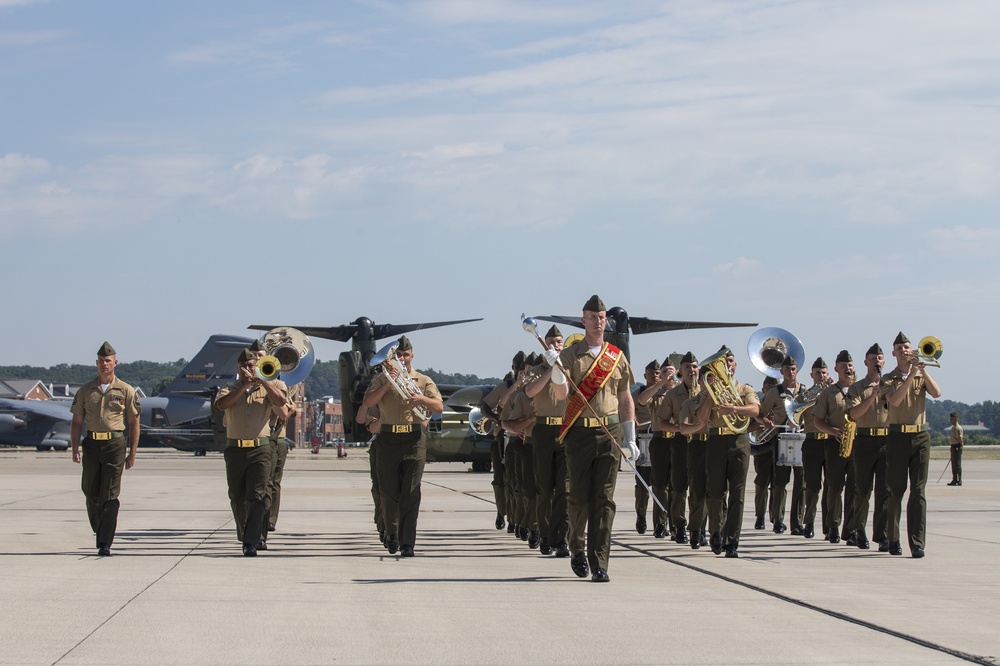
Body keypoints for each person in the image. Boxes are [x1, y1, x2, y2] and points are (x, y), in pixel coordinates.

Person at [543, 295, 636, 582]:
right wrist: (556, 371)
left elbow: (625, 398)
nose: (599, 322)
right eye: (593, 317)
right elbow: (561, 396)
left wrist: (630, 437)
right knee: (580, 499)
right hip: (580, 434)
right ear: (583, 321)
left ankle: (600, 563)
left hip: (610, 433)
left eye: (602, 317)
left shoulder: (616, 357)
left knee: (604, 500)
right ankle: (577, 549)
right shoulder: (570, 355)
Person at [362, 336, 444, 557]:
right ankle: (392, 533)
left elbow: (438, 406)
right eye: (397, 356)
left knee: (411, 492)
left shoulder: (423, 380)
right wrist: (389, 381)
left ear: (412, 356)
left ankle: (407, 542)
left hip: (414, 439)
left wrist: (421, 399)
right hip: (387, 438)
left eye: (405, 355)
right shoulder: (381, 378)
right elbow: (368, 402)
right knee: (388, 493)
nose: (401, 359)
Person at [214, 348, 291, 556]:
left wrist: (263, 381)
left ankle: (251, 540)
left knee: (257, 496)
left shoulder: (269, 387)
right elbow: (222, 405)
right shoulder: (229, 389)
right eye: (244, 366)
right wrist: (245, 386)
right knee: (237, 497)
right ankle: (245, 534)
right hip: (235, 450)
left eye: (251, 366)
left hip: (261, 449)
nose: (248, 369)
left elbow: (282, 402)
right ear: (238, 368)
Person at [70, 341, 141, 557]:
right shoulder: (85, 390)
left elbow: (134, 422)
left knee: (110, 494)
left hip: (114, 445)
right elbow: (76, 421)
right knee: (90, 492)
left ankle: (104, 541)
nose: (104, 364)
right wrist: (74, 448)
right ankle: (100, 528)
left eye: (108, 361)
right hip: (92, 444)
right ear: (96, 363)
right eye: (101, 361)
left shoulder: (126, 390)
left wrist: (132, 452)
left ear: (115, 363)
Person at [690, 347, 760, 557]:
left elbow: (756, 410)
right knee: (715, 492)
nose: (728, 365)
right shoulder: (707, 393)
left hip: (739, 440)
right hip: (716, 440)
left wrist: (735, 409)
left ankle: (733, 541)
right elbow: (701, 419)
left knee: (737, 493)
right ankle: (716, 533)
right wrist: (712, 396)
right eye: (725, 362)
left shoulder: (744, 389)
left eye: (730, 361)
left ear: (735, 366)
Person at [881, 332, 941, 558]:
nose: (905, 351)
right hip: (897, 437)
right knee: (896, 491)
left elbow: (936, 392)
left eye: (907, 347)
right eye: (900, 348)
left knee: (919, 490)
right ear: (894, 353)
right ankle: (894, 538)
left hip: (920, 436)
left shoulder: (920, 374)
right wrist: (911, 375)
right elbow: (894, 401)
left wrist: (922, 370)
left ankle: (917, 542)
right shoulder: (888, 378)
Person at [524, 325, 570, 557]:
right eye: (550, 342)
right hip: (542, 429)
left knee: (565, 488)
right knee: (544, 488)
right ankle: (544, 534)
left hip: (566, 428)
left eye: (559, 342)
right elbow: (530, 392)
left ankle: (560, 538)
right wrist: (549, 368)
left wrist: (560, 368)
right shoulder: (535, 370)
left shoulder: (571, 368)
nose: (555, 346)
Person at [845, 343, 890, 551]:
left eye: (880, 358)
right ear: (865, 362)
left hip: (886, 440)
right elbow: (853, 414)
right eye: (873, 359)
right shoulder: (856, 388)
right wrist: (872, 395)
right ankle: (858, 529)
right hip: (864, 439)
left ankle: (882, 535)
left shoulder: (890, 384)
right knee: (862, 490)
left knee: (885, 490)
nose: (877, 362)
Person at [756, 355, 805, 535]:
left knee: (801, 482)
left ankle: (797, 522)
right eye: (786, 370)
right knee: (780, 482)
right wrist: (766, 422)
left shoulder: (804, 391)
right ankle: (778, 519)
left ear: (797, 371)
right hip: (781, 438)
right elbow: (760, 413)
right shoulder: (774, 392)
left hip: (799, 439)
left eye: (793, 369)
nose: (790, 372)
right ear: (781, 372)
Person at [813, 350, 856, 544]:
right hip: (835, 443)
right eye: (844, 366)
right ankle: (833, 526)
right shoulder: (828, 394)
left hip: (857, 443)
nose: (848, 369)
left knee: (855, 488)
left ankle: (852, 528)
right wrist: (833, 431)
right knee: (835, 486)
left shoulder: (860, 389)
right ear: (836, 369)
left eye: (850, 365)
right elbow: (818, 421)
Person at [502, 353, 541, 549]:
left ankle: (543, 529)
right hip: (523, 445)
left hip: (553, 446)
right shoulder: (517, 395)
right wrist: (520, 427)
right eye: (526, 370)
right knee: (522, 489)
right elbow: (504, 416)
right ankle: (522, 522)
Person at [800, 357, 831, 539]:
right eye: (818, 373)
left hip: (830, 440)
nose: (821, 376)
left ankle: (829, 525)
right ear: (811, 375)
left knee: (831, 485)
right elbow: (796, 416)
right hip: (812, 441)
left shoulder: (834, 392)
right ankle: (809, 521)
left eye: (824, 373)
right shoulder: (805, 396)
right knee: (812, 486)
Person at [631, 360, 660, 535]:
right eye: (651, 373)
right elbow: (628, 407)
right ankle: (641, 515)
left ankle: (660, 523)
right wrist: (632, 418)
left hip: (662, 438)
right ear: (645, 375)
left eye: (657, 373)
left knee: (661, 485)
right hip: (644, 438)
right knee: (642, 485)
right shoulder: (639, 393)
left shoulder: (667, 392)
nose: (655, 376)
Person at [750, 376, 779, 530]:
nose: (771, 390)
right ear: (763, 389)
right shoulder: (757, 405)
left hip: (779, 444)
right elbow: (749, 426)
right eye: (769, 387)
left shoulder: (782, 403)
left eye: (774, 387)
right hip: (762, 445)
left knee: (778, 482)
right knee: (762, 482)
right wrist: (762, 421)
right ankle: (760, 516)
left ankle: (776, 516)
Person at [948, 412, 964, 486]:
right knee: (953, 464)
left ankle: (958, 480)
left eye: (952, 419)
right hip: (953, 446)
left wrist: (960, 445)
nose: (950, 420)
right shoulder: (953, 428)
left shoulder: (958, 428)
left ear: (956, 419)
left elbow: (960, 438)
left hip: (957, 446)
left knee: (957, 464)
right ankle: (954, 479)